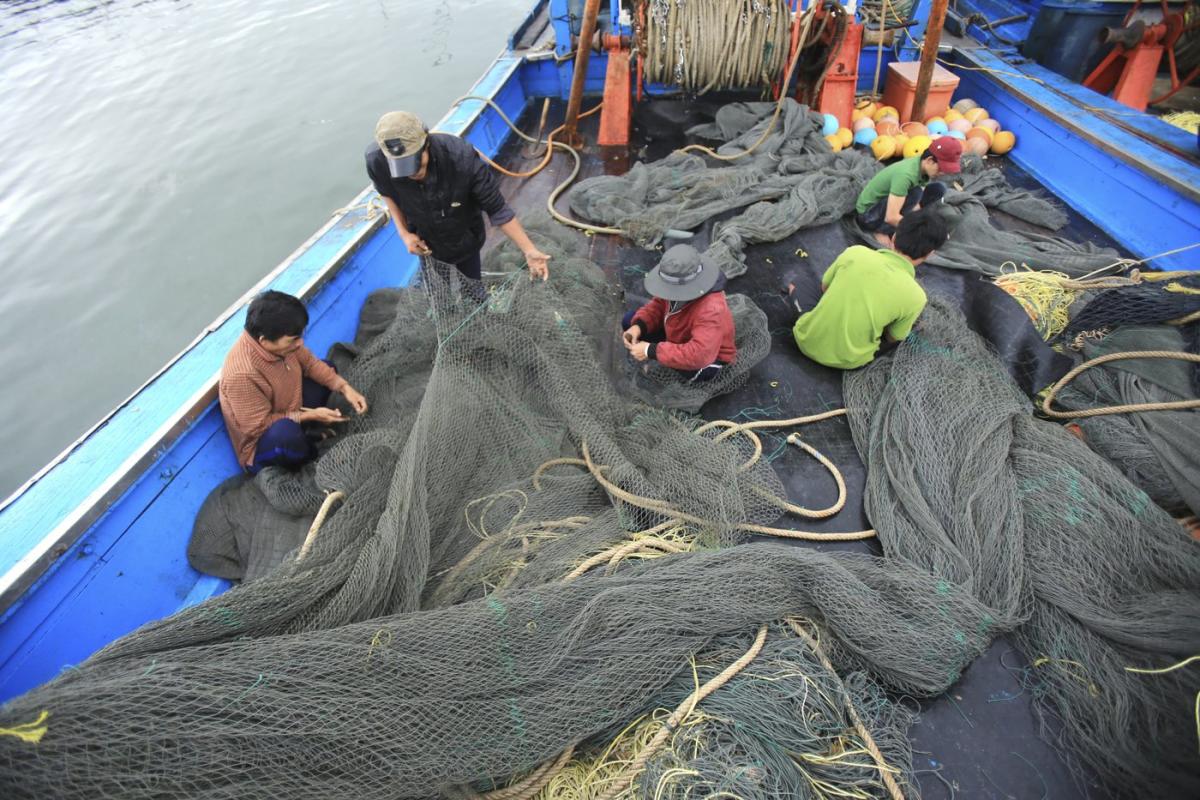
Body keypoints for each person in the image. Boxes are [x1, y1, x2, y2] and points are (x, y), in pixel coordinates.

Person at [365, 111, 551, 287]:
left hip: (465, 236)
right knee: (437, 296)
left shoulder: (461, 158)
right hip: (426, 242)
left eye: (416, 163)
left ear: (426, 142)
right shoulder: (377, 161)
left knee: (473, 287)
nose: (413, 173)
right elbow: (387, 193)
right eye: (403, 167)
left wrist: (529, 250)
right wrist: (404, 234)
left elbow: (498, 209)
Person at [219, 291, 369, 473]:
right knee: (286, 434)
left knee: (327, 367)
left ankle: (308, 432)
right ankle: (314, 456)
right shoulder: (241, 375)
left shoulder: (287, 341)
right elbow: (258, 426)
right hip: (264, 443)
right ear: (264, 341)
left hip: (290, 409)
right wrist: (311, 415)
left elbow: (311, 364)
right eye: (294, 339)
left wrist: (345, 388)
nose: (300, 343)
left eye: (301, 336)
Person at [789, 208, 951, 370]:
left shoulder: (855, 253)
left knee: (800, 283)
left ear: (894, 236)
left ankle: (795, 296)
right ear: (929, 254)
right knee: (908, 329)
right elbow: (893, 338)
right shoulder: (917, 297)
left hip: (805, 340)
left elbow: (825, 288)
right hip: (850, 362)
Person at [622, 244, 737, 382]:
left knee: (698, 372)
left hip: (707, 357)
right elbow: (658, 306)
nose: (669, 292)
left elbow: (700, 355)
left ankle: (667, 359)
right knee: (629, 321)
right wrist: (638, 326)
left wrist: (651, 350)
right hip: (677, 333)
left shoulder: (711, 308)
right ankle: (666, 353)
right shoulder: (671, 287)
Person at [855, 136, 962, 246]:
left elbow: (920, 193)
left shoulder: (923, 167)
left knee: (939, 188)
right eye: (941, 169)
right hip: (869, 215)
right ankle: (881, 231)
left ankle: (904, 221)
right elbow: (891, 217)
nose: (943, 173)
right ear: (930, 160)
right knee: (916, 193)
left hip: (892, 203)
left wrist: (913, 216)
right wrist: (922, 233)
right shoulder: (905, 175)